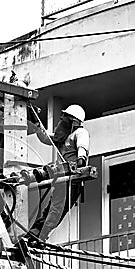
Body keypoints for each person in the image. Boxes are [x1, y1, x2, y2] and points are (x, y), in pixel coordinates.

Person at [29, 104, 90, 244]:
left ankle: (39, 236)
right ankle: (36, 233)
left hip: (73, 180)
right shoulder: (63, 138)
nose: (61, 121)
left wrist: (81, 161)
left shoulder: (80, 133)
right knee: (51, 209)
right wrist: (35, 121)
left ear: (74, 121)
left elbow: (82, 148)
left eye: (65, 118)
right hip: (62, 180)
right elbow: (45, 138)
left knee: (56, 211)